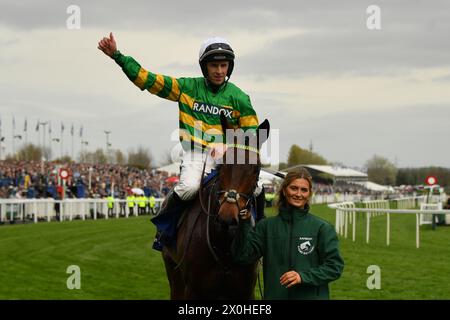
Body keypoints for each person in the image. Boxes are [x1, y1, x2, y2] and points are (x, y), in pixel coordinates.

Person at [98, 33, 264, 251]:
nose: (219, 71)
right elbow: (149, 80)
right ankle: (164, 229)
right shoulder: (187, 87)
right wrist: (118, 57)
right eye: (214, 65)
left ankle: (259, 235)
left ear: (229, 67)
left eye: (224, 65)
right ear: (205, 67)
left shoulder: (240, 98)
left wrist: (230, 145)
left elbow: (252, 134)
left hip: (227, 156)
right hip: (195, 152)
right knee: (188, 188)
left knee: (259, 188)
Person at [232, 168, 344, 300]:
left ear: (309, 194)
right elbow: (242, 256)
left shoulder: (322, 228)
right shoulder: (266, 227)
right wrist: (244, 224)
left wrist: (303, 276)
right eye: (294, 188)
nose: (298, 194)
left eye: (304, 190)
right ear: (284, 191)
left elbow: (334, 267)